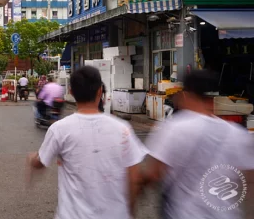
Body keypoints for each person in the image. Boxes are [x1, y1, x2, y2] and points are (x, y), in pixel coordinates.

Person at [28, 66, 146, 219]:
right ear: (99, 92)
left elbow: (41, 161)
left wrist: (32, 160)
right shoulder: (123, 129)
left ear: (71, 92)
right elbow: (135, 179)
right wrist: (129, 212)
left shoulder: (59, 129)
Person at [143, 70, 254, 218]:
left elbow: (153, 174)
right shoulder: (237, 134)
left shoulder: (173, 128)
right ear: (213, 99)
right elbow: (250, 180)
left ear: (185, 95)